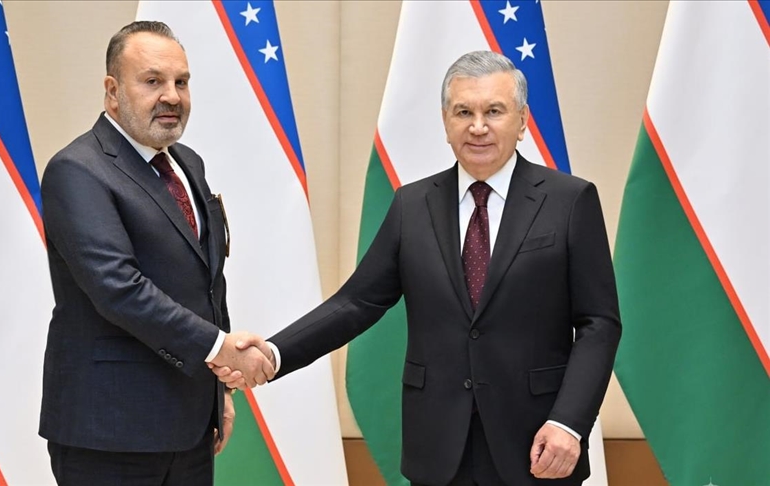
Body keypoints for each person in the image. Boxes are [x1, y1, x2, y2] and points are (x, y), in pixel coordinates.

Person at [221, 50, 621, 485]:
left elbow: (599, 323)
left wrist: (569, 423)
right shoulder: (412, 205)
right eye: (463, 112)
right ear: (446, 122)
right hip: (439, 448)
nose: (478, 126)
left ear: (522, 121)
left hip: (538, 443)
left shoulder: (569, 201)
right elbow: (356, 302)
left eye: (494, 111)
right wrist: (274, 353)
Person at [39, 21, 274, 485]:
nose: (172, 96)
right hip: (109, 433)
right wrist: (220, 349)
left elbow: (206, 282)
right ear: (112, 91)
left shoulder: (188, 164)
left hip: (190, 428)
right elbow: (119, 289)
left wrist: (219, 390)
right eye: (152, 81)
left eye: (181, 82)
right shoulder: (77, 170)